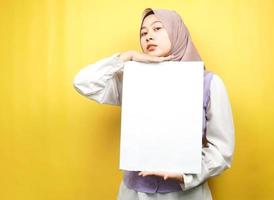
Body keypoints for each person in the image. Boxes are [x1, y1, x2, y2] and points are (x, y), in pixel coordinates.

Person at [73, 7, 235, 200]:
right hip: (134, 194)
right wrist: (127, 57)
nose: (149, 36)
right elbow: (83, 82)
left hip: (186, 195)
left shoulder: (208, 83)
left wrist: (188, 175)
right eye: (144, 33)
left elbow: (222, 151)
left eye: (157, 28)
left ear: (176, 32)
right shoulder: (132, 81)